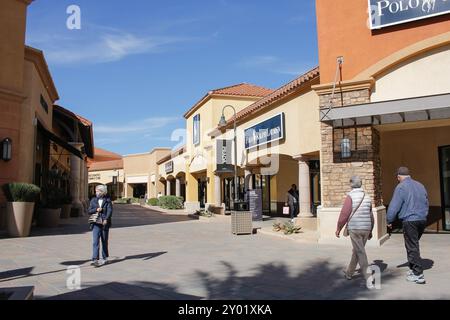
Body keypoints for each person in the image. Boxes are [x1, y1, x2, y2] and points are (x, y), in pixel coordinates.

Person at [387, 167, 429, 284]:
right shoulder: (420, 185)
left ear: (399, 176)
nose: (397, 179)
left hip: (410, 220)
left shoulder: (401, 187)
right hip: (422, 219)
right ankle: (413, 269)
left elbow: (394, 205)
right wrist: (424, 215)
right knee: (413, 245)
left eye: (397, 177)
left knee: (412, 247)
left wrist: (389, 220)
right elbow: (426, 202)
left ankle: (418, 274)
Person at [336, 176, 374, 288]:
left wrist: (338, 227)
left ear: (351, 184)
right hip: (366, 228)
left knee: (360, 252)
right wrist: (371, 229)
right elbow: (371, 215)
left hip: (355, 228)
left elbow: (344, 214)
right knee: (357, 251)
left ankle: (369, 277)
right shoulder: (367, 197)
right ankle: (349, 273)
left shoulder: (350, 196)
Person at [88, 185, 113, 267]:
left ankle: (105, 257)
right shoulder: (93, 200)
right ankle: (95, 259)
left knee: (104, 241)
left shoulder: (108, 200)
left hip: (104, 223)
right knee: (95, 241)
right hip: (96, 223)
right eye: (96, 191)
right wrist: (96, 209)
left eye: (98, 191)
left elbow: (110, 211)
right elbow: (89, 211)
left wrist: (106, 219)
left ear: (103, 192)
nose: (96, 193)